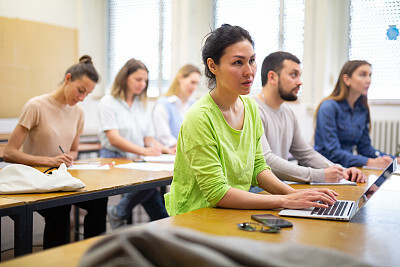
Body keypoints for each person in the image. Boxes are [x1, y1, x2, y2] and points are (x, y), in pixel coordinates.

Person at [164, 24, 338, 217]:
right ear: (213, 66)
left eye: (252, 61)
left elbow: (257, 167)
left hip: (232, 212)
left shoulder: (250, 106)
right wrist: (285, 200)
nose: (249, 71)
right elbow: (217, 193)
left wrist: (296, 195)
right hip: (195, 217)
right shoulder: (200, 116)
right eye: (238, 63)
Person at [3, 55, 108, 249]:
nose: (82, 98)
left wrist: (67, 158)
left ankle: (93, 256)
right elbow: (9, 153)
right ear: (68, 79)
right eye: (80, 90)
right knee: (61, 208)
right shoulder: (36, 106)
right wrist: (49, 160)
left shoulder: (78, 112)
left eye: (87, 95)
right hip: (36, 177)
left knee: (99, 200)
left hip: (60, 176)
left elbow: (74, 151)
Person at [253, 52, 365, 183]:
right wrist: (319, 175)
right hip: (258, 191)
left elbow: (306, 153)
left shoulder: (288, 113)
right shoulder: (254, 110)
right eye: (293, 75)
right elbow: (267, 161)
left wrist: (341, 171)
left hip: (278, 188)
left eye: (300, 76)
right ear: (272, 77)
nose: (300, 82)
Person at [99, 58, 173, 229]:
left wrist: (166, 149)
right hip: (113, 158)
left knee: (151, 189)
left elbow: (148, 138)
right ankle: (166, 229)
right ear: (125, 78)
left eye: (145, 81)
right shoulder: (108, 101)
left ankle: (119, 213)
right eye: (138, 79)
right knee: (148, 187)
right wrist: (145, 151)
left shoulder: (142, 104)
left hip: (136, 160)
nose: (142, 84)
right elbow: (114, 138)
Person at [314, 60, 399, 168]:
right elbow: (333, 153)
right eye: (362, 75)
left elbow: (365, 148)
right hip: (325, 168)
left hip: (347, 167)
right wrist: (369, 162)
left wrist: (393, 159)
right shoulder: (328, 107)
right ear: (346, 79)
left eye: (370, 75)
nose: (368, 80)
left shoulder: (362, 109)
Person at [152, 64, 201, 148]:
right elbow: (164, 137)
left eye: (197, 84)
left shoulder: (195, 105)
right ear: (180, 78)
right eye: (192, 82)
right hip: (170, 153)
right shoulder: (163, 104)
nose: (194, 87)